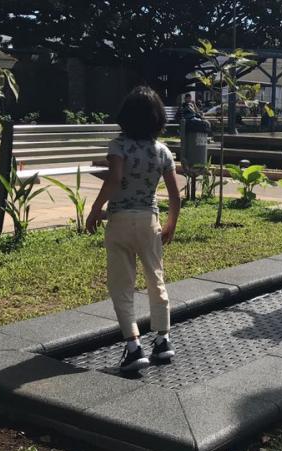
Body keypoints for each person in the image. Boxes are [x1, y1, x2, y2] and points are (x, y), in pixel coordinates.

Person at [86, 86, 181, 372]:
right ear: (158, 119)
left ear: (125, 116)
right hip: (149, 221)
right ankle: (163, 341)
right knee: (156, 278)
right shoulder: (163, 151)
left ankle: (133, 347)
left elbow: (114, 179)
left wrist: (94, 209)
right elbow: (175, 195)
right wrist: (171, 222)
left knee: (121, 284)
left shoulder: (118, 146)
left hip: (119, 221)